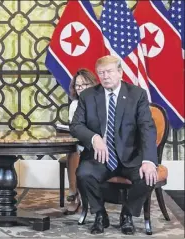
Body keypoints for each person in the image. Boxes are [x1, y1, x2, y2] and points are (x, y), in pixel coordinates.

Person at [70, 55, 157, 235]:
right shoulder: (88, 96)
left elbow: (147, 128)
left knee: (147, 176)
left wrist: (149, 160)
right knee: (84, 174)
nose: (105, 77)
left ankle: (127, 214)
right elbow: (76, 126)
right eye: (101, 73)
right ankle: (100, 214)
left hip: (130, 156)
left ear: (120, 72)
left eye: (109, 72)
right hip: (100, 157)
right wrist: (94, 138)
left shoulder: (136, 94)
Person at [64, 69, 97, 215]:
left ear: (92, 84)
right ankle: (74, 194)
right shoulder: (74, 104)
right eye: (78, 85)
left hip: (97, 143)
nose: (80, 88)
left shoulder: (100, 101)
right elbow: (75, 128)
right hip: (80, 143)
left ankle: (84, 196)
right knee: (73, 152)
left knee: (77, 152)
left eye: (84, 85)